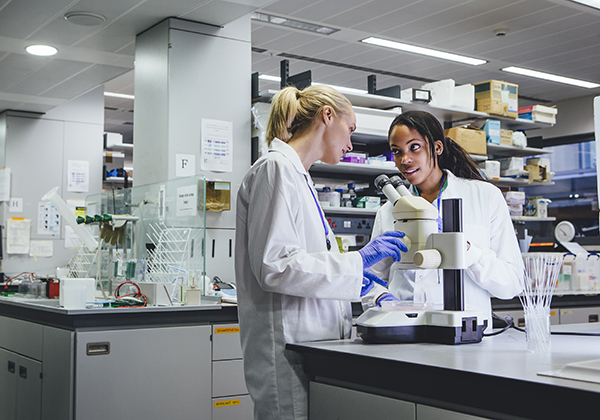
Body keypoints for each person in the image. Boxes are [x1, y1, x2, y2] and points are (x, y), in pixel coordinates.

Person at [235, 84, 407, 420]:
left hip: (313, 346)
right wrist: (358, 260)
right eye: (351, 129)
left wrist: (364, 283)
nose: (351, 144)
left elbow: (310, 262)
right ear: (327, 116)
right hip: (287, 348)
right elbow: (275, 266)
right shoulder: (276, 169)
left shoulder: (299, 177)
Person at [370, 110, 524, 329]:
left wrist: (468, 251)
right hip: (405, 331)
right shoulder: (388, 211)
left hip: (467, 335)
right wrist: (380, 299)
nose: (404, 160)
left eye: (415, 147)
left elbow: (512, 283)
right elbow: (372, 279)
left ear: (437, 147)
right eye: (396, 151)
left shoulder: (484, 196)